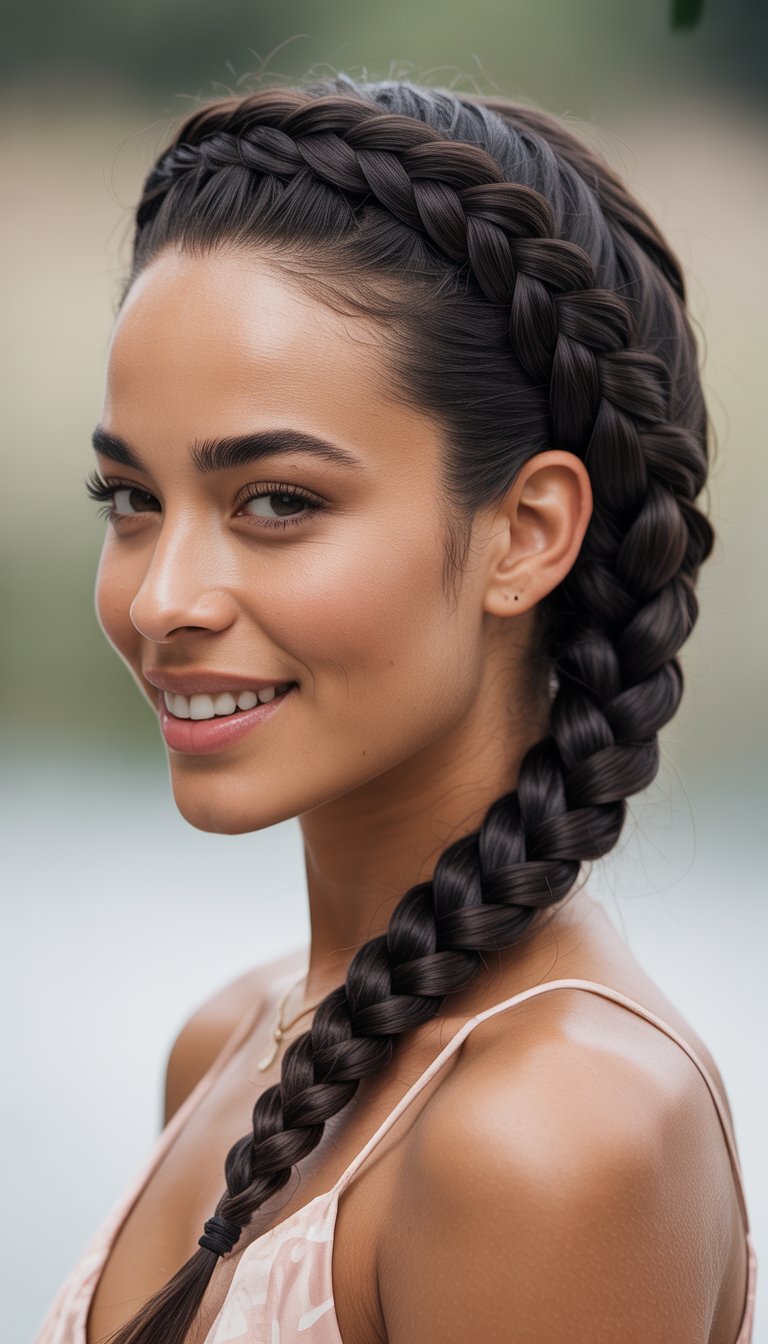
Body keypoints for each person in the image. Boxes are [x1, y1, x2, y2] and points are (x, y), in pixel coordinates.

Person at [36, 75, 756, 1344]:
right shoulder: (231, 1044)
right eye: (130, 499)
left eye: (278, 501)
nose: (161, 599)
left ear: (524, 536)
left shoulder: (549, 1136)